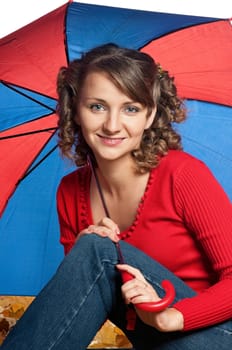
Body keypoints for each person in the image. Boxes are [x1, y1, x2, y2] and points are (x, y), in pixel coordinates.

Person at [1, 43, 232, 350]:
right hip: (153, 342)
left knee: (98, 249)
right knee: (95, 246)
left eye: (131, 109)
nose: (112, 125)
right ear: (76, 111)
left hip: (215, 336)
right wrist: (88, 249)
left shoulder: (182, 174)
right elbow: (76, 310)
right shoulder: (70, 192)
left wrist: (172, 316)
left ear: (149, 116)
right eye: (97, 106)